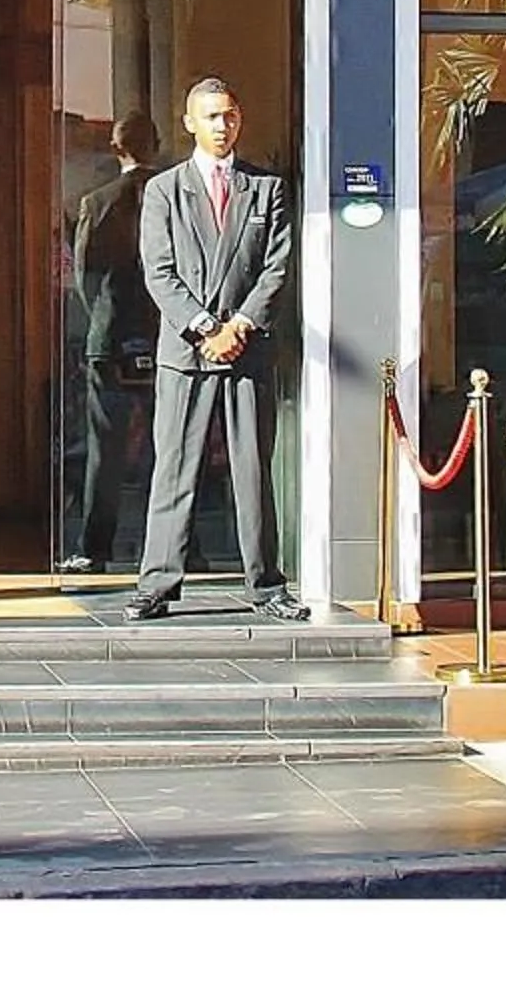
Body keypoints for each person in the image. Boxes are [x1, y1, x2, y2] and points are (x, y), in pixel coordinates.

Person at [128, 76, 305, 623]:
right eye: (211, 116)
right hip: (186, 353)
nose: (222, 125)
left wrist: (240, 326)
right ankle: (157, 585)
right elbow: (159, 272)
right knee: (174, 468)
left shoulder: (267, 189)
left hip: (247, 351)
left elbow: (277, 267)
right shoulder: (164, 190)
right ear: (190, 123)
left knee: (252, 470)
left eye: (229, 115)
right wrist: (206, 328)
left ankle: (267, 585)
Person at [60, 112, 162, 574]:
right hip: (167, 335)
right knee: (172, 448)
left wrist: (102, 316)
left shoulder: (98, 202)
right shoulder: (175, 195)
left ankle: (95, 548)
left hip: (112, 334)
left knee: (106, 448)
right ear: (156, 145)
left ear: (116, 148)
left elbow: (86, 276)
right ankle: (179, 546)